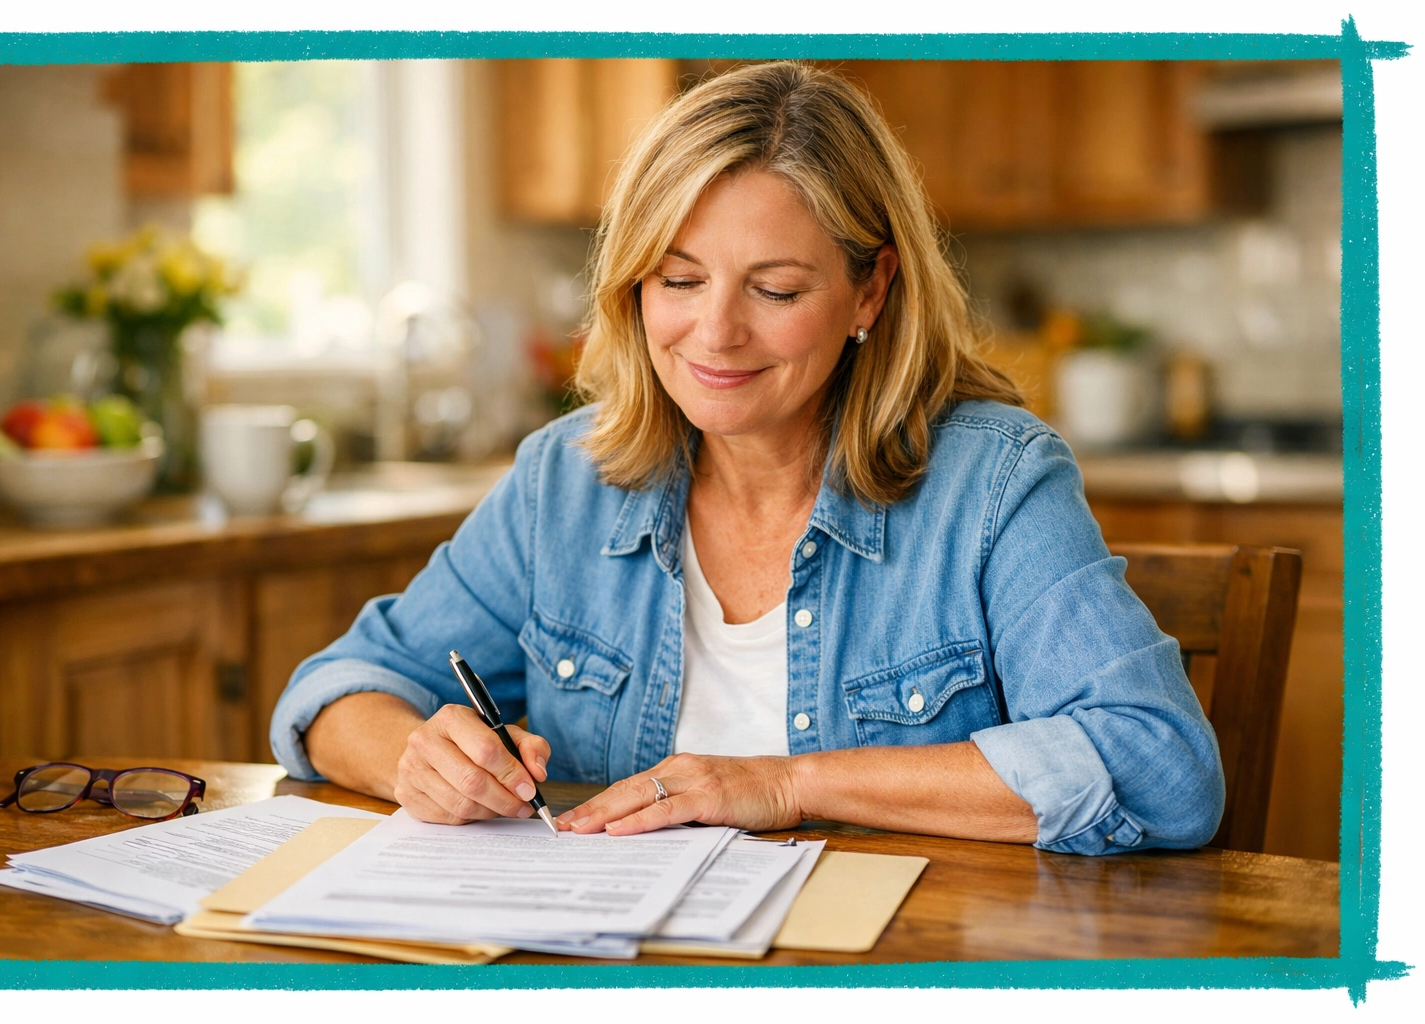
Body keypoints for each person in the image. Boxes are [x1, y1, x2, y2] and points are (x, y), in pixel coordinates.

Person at [270, 62, 1223, 856]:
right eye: (679, 280)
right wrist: (413, 757)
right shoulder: (565, 481)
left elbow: (1158, 767)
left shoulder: (995, 483)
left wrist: (790, 783)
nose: (715, 333)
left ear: (869, 290)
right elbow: (335, 690)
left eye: (774, 288)